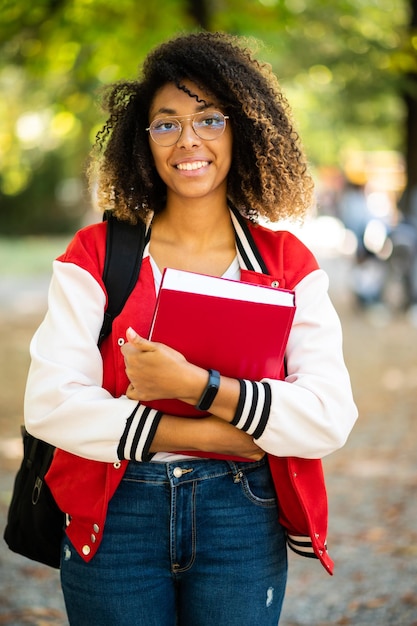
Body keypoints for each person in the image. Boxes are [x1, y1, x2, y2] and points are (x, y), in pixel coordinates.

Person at [24, 31, 358, 626]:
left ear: (242, 129)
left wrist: (199, 385)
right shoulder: (98, 254)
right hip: (115, 514)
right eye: (166, 123)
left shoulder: (288, 266)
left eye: (209, 118)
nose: (188, 140)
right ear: (143, 141)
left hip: (241, 515)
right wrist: (212, 433)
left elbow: (330, 415)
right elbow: (50, 406)